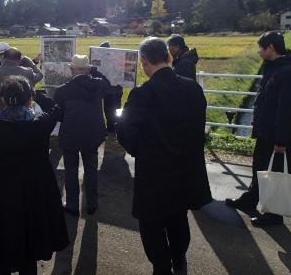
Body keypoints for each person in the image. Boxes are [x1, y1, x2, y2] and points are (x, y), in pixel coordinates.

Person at [116, 37, 211, 275]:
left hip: (154, 172)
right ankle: (179, 260)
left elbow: (125, 131)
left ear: (144, 61)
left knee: (152, 223)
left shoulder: (141, 94)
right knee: (178, 217)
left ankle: (161, 267)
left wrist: (140, 150)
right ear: (169, 57)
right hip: (186, 168)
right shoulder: (193, 88)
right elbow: (199, 127)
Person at [0, 76, 69, 275]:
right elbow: (58, 109)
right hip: (34, 194)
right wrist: (40, 96)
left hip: (0, 198)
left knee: (1, 249)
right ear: (28, 100)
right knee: (29, 250)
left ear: (3, 101)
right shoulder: (40, 124)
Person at [226, 31, 291, 226]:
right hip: (266, 131)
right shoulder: (274, 68)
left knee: (276, 173)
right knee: (260, 167)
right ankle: (252, 198)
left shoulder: (287, 73)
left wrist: (281, 141)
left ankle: (274, 214)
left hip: (276, 134)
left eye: (261, 48)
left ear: (271, 47)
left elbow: (287, 110)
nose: (259, 51)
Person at [54, 54, 109, 216]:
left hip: (70, 134)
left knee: (70, 170)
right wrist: (95, 72)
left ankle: (72, 205)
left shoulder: (63, 90)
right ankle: (92, 204)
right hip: (93, 133)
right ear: (88, 69)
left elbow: (59, 115)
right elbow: (108, 84)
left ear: (71, 70)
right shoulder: (99, 85)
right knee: (91, 168)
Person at [0, 47, 43, 122]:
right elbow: (40, 75)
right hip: (24, 121)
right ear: (20, 60)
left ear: (3, 57)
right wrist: (29, 61)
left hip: (0, 121)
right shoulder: (27, 72)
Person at [97, 41, 123, 132]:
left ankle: (112, 128)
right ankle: (114, 128)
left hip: (112, 90)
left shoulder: (113, 60)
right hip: (115, 90)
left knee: (110, 110)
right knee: (114, 109)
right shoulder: (116, 58)